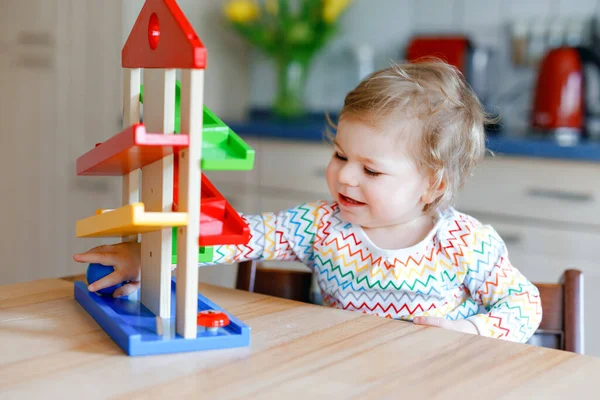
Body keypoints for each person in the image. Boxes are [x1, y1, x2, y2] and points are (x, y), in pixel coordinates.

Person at [74, 59, 542, 343]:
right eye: (340, 154)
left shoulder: (465, 243)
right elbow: (236, 236)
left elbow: (524, 305)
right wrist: (152, 256)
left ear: (433, 185)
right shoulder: (320, 224)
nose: (345, 176)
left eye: (372, 170)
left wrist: (471, 332)